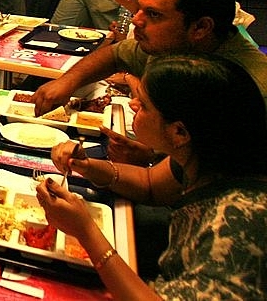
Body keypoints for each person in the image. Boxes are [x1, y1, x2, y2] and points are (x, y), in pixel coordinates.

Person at [37, 54, 267, 299]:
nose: (133, 105)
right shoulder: (207, 158)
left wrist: (85, 231)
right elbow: (149, 185)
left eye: (144, 105)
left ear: (179, 132)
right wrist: (85, 165)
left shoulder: (239, 220)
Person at [32, 0, 267, 119]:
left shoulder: (248, 92)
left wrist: (149, 162)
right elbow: (115, 55)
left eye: (153, 14)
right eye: (140, 9)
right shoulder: (169, 43)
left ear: (201, 27)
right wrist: (68, 81)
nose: (136, 21)